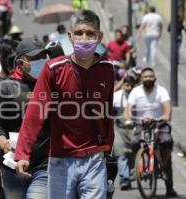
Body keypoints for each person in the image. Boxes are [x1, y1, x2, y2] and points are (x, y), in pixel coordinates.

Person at [15, 10, 114, 199]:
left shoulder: (107, 69)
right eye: (79, 33)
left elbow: (107, 110)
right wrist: (23, 153)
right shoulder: (54, 69)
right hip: (61, 159)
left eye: (90, 33)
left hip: (94, 159)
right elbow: (35, 113)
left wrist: (108, 146)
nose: (84, 38)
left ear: (99, 37)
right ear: (70, 36)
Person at [0, 37, 50, 199]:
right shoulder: (3, 88)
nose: (41, 62)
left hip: (43, 166)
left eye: (43, 57)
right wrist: (5, 145)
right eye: (35, 58)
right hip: (11, 166)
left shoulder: (51, 86)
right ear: (20, 63)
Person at [125, 67, 177, 197]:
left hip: (159, 123)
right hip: (141, 124)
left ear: (155, 78)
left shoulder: (162, 91)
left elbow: (167, 107)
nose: (148, 78)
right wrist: (127, 118)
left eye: (150, 76)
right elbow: (128, 108)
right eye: (145, 77)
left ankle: (163, 168)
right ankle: (137, 167)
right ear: (141, 79)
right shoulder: (135, 92)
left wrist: (166, 115)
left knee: (167, 141)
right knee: (134, 142)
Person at [112, 76, 136, 190]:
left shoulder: (137, 96)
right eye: (127, 85)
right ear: (123, 84)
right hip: (119, 129)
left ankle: (130, 174)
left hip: (134, 129)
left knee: (132, 154)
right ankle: (124, 179)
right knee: (122, 154)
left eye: (131, 86)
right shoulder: (116, 96)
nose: (129, 88)